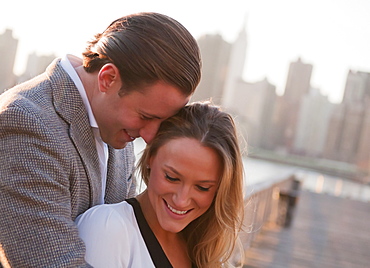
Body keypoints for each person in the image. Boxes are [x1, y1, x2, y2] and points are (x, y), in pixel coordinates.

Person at [0, 12, 201, 267]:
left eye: (161, 121)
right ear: (108, 79)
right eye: (146, 116)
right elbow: (52, 262)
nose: (150, 136)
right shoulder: (27, 122)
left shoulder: (118, 127)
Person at [76, 102, 245, 268]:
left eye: (202, 187)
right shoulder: (108, 229)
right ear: (151, 158)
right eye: (171, 177)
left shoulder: (204, 251)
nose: (181, 200)